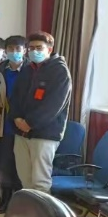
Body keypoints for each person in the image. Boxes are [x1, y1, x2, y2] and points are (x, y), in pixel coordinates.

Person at [10, 32, 72, 193]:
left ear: (49, 49)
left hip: (44, 134)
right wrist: (16, 118)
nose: (34, 51)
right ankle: (29, 209)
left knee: (40, 181)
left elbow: (54, 105)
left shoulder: (60, 71)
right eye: (31, 48)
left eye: (39, 48)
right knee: (25, 179)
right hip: (21, 132)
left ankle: (43, 210)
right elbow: (15, 97)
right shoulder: (27, 70)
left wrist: (30, 123)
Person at [0, 35, 26, 209]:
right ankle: (3, 198)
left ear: (24, 50)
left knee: (19, 165)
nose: (14, 52)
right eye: (10, 49)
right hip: (2, 124)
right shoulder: (1, 69)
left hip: (22, 125)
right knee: (1, 162)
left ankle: (18, 200)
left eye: (18, 49)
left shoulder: (29, 70)